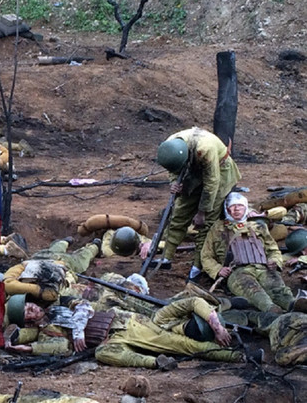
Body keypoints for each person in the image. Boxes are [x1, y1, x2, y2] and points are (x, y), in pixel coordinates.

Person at [156, 127, 240, 279]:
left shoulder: (205, 150)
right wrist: (175, 183)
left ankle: (197, 266)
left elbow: (211, 184)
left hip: (219, 172)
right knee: (178, 216)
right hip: (193, 170)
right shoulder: (170, 145)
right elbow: (173, 170)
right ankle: (166, 257)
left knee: (205, 224)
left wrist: (202, 212)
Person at [201, 192, 297, 313]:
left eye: (240, 206)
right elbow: (206, 256)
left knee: (279, 289)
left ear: (246, 208)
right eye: (232, 206)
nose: (236, 209)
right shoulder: (217, 228)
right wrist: (218, 269)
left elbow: (273, 249)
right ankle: (271, 310)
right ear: (227, 209)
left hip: (263, 268)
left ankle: (294, 305)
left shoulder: (258, 226)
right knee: (254, 293)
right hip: (237, 271)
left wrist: (274, 261)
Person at [94, 297, 244, 369]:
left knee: (103, 352)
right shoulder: (164, 315)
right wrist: (218, 328)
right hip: (125, 319)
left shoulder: (184, 337)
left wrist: (237, 355)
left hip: (122, 336)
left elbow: (199, 347)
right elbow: (194, 301)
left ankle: (154, 362)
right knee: (102, 352)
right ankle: (154, 362)